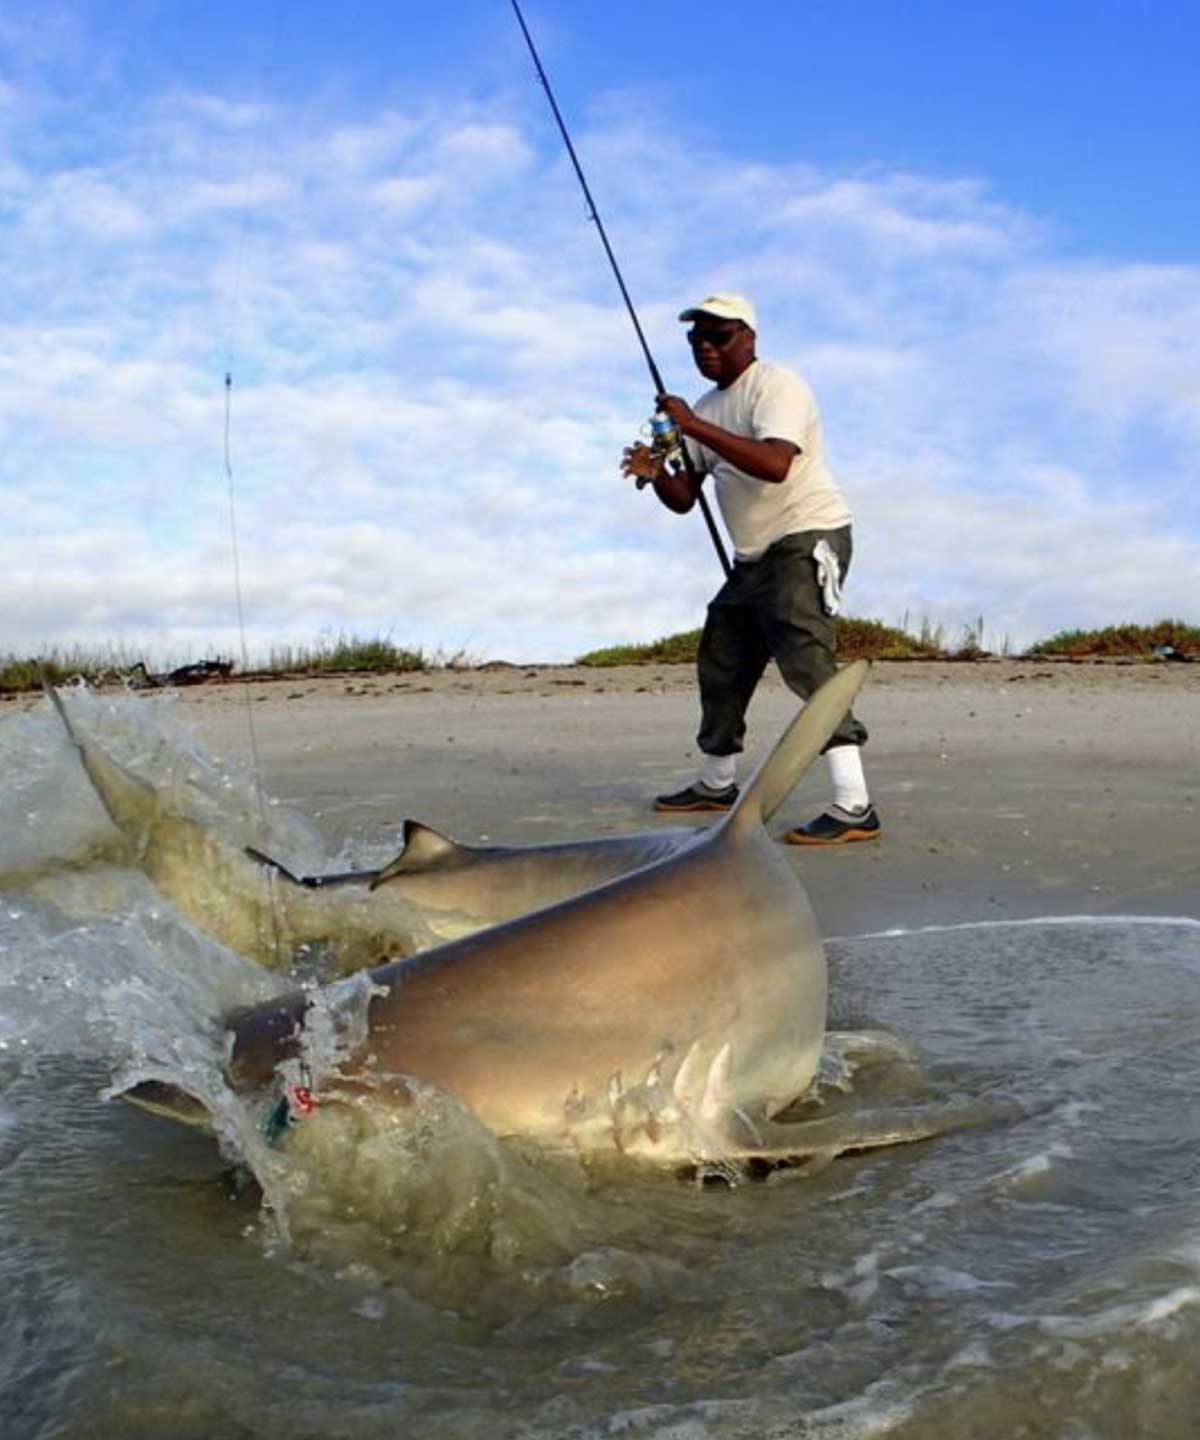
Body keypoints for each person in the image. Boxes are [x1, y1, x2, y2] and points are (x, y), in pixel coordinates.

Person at [621, 293, 880, 845]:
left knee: (807, 661)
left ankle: (855, 804)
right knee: (721, 660)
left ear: (749, 339)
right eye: (697, 341)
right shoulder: (700, 411)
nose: (707, 350)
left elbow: (774, 463)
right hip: (752, 556)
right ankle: (716, 783)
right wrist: (654, 472)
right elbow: (685, 497)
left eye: (719, 337)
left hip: (807, 534)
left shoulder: (777, 386)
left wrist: (693, 425)